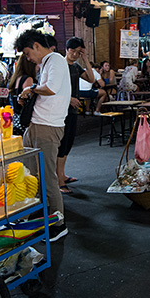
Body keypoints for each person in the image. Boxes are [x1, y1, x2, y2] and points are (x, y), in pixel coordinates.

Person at [15, 29, 71, 239]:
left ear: (37, 46)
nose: (28, 58)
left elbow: (51, 88)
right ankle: (38, 216)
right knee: (31, 176)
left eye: (28, 53)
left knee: (47, 178)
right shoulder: (48, 63)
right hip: (38, 125)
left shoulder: (55, 59)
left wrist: (31, 90)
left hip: (47, 127)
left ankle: (58, 224)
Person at [57, 37, 96, 194]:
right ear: (66, 50)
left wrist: (86, 58)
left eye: (77, 52)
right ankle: (59, 180)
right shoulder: (60, 66)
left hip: (73, 110)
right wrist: (68, 99)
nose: (74, 54)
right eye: (72, 51)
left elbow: (92, 79)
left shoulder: (76, 67)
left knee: (69, 143)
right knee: (62, 143)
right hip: (61, 110)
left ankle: (62, 174)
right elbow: (54, 89)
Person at [8, 53, 37, 136]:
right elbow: (27, 102)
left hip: (15, 119)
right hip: (23, 120)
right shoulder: (28, 79)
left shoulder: (16, 78)